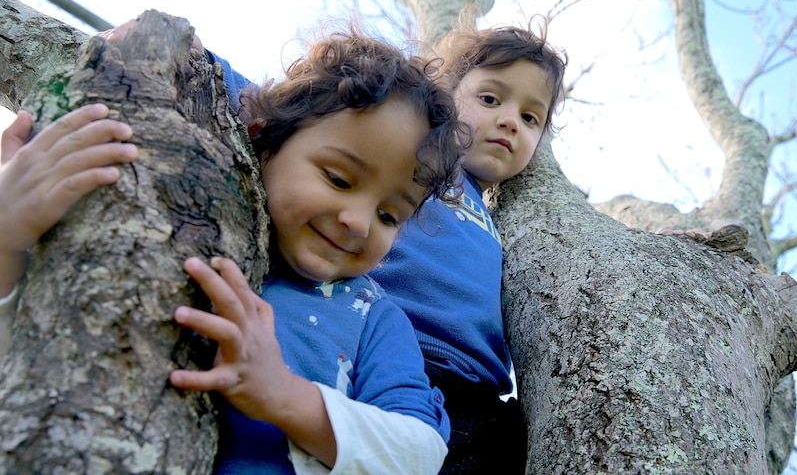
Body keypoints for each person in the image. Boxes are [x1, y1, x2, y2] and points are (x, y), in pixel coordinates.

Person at [0, 28, 470, 474]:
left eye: (389, 215)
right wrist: (7, 235)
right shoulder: (173, 226)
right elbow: (39, 338)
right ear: (261, 142)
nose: (358, 221)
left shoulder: (372, 316)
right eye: (339, 179)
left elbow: (420, 452)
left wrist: (284, 396)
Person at [178, 15, 566, 474]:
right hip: (373, 349)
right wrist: (190, 54)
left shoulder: (497, 225)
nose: (509, 122)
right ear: (448, 94)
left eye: (530, 117)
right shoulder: (404, 160)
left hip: (475, 392)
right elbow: (273, 107)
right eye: (489, 98)